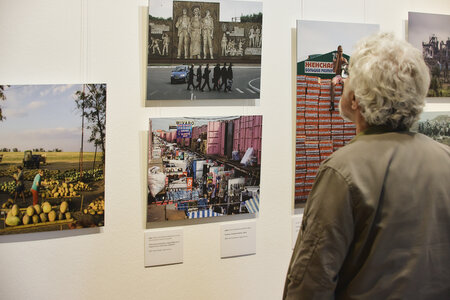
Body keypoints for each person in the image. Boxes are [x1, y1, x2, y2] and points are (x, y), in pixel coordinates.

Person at [283, 32, 450, 299]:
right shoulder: (445, 159)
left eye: (348, 79)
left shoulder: (341, 171)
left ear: (355, 100)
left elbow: (311, 282)